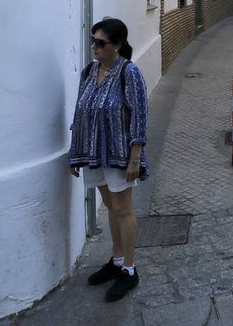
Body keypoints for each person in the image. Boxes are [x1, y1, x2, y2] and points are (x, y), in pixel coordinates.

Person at [68, 17, 149, 302]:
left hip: (120, 155)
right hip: (94, 153)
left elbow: (140, 114)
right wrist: (75, 152)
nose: (94, 46)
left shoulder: (129, 72)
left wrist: (135, 157)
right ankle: (116, 260)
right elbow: (80, 111)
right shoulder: (90, 71)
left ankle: (130, 269)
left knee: (123, 209)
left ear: (117, 45)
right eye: (93, 40)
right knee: (111, 206)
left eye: (100, 43)